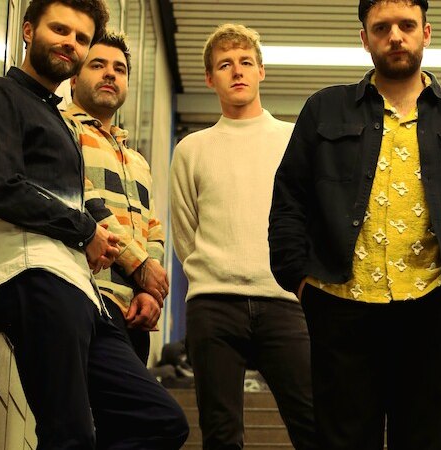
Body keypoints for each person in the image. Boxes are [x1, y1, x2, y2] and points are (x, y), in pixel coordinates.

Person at [267, 0, 441, 448]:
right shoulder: (323, 109)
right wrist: (301, 281)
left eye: (407, 25)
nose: (395, 36)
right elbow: (289, 201)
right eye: (382, 28)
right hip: (339, 305)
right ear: (365, 38)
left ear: (426, 32)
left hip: (431, 308)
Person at [0, 0, 188, 447]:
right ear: (28, 30)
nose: (71, 43)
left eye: (81, 38)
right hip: (34, 275)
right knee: (70, 434)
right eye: (60, 30)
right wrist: (85, 230)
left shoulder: (57, 122)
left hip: (83, 291)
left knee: (162, 421)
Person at [170, 23, 317, 450]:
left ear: (261, 72)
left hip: (283, 301)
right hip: (213, 304)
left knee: (315, 426)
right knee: (221, 435)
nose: (237, 71)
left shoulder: (293, 139)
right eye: (225, 65)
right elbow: (185, 231)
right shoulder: (191, 148)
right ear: (209, 78)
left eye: (246, 62)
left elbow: (310, 218)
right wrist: (213, 271)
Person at [64, 32, 167, 365]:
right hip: (88, 294)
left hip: (133, 311)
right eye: (98, 65)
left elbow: (154, 228)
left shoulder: (137, 160)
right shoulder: (63, 129)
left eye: (119, 69)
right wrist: (141, 266)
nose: (110, 74)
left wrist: (149, 291)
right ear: (74, 78)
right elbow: (86, 202)